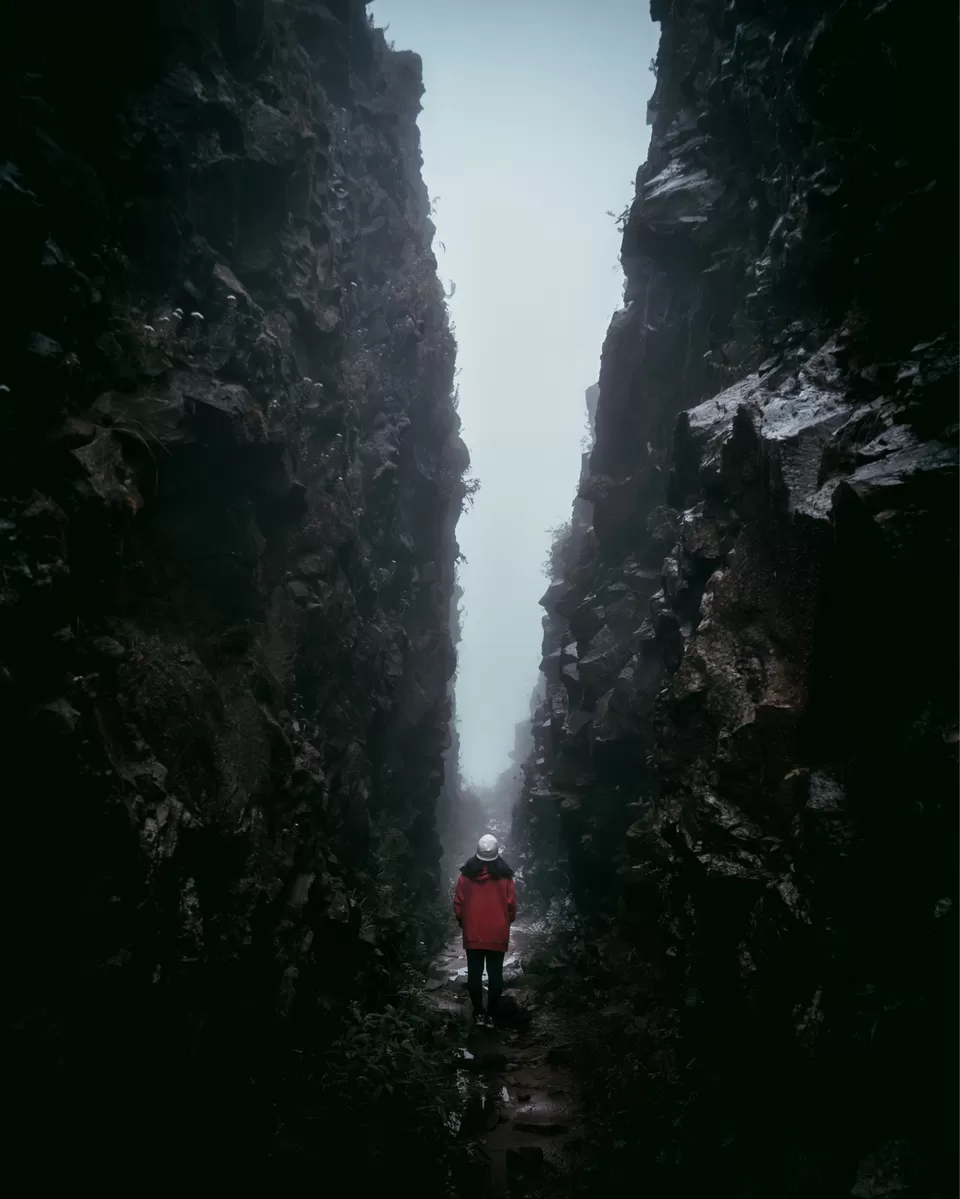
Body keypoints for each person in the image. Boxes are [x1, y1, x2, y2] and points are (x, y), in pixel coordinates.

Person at [453, 834, 516, 1029]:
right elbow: (511, 906)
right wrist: (506, 922)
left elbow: (458, 904)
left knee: (474, 973)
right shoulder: (505, 878)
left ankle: (479, 1014)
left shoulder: (465, 877)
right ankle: (492, 1015)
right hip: (498, 932)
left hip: (473, 931)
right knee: (495, 973)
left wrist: (464, 922)